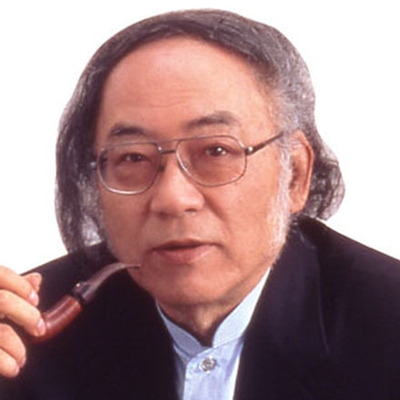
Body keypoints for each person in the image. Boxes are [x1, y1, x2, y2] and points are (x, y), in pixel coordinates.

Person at [0, 9, 399, 400]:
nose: (173, 199)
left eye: (216, 151)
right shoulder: (25, 333)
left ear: (294, 174)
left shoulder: (387, 329)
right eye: (133, 158)